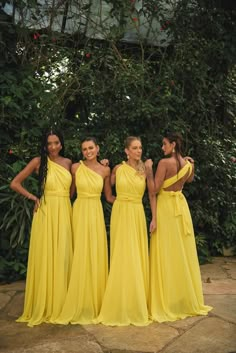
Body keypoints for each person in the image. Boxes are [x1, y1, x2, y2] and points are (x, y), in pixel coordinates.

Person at [146, 131, 212, 322]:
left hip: (166, 209)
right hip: (181, 208)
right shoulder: (188, 165)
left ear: (173, 144)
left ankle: (167, 298)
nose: (162, 147)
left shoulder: (164, 163)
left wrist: (148, 169)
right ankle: (183, 298)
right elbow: (189, 180)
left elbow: (154, 189)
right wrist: (191, 163)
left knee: (166, 251)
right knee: (181, 252)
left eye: (164, 144)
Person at [10, 129, 73, 327]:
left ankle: (62, 302)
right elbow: (15, 183)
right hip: (46, 212)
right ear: (45, 145)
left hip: (64, 211)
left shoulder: (69, 163)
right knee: (47, 255)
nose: (53, 146)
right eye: (49, 143)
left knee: (62, 255)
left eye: (56, 142)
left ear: (61, 143)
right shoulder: (38, 162)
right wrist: (33, 197)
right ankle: (45, 302)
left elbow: (74, 188)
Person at [54, 137, 115, 325]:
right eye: (84, 149)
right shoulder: (74, 168)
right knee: (79, 251)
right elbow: (68, 192)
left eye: (91, 148)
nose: (88, 151)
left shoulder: (106, 169)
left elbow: (108, 196)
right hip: (78, 212)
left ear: (97, 149)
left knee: (95, 253)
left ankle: (95, 300)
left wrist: (130, 203)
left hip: (95, 212)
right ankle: (77, 297)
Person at [96, 136, 156, 326]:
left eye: (140, 147)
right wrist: (102, 164)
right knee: (122, 254)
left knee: (136, 255)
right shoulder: (117, 169)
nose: (139, 151)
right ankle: (120, 299)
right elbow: (106, 191)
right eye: (135, 148)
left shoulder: (145, 170)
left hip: (137, 213)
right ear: (126, 151)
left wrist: (154, 218)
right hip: (121, 213)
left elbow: (153, 194)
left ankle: (136, 300)